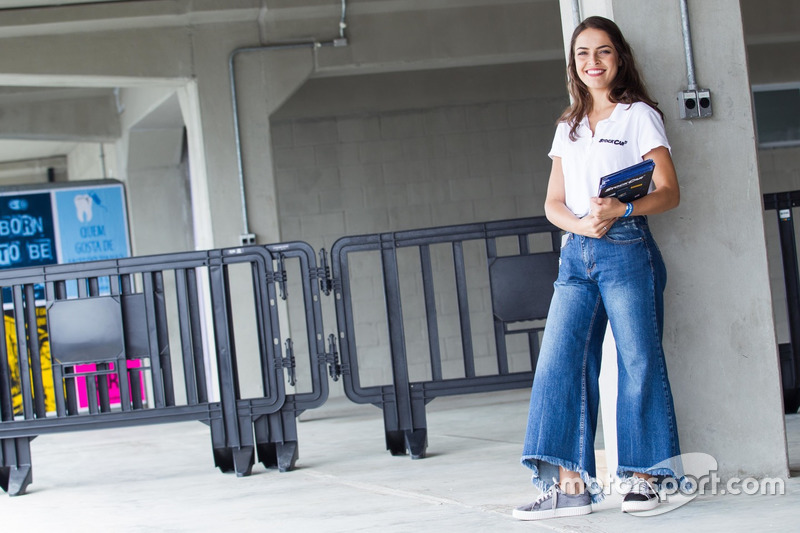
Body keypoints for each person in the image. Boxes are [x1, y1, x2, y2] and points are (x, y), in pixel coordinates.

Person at [513, 16, 682, 521]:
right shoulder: (567, 127)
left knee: (637, 361)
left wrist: (621, 211)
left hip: (628, 249)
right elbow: (552, 202)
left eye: (603, 52)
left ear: (619, 58)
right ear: (574, 63)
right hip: (577, 254)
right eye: (583, 53)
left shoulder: (638, 117)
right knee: (560, 362)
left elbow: (669, 192)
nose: (593, 62)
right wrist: (582, 226)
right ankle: (569, 486)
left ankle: (645, 478)